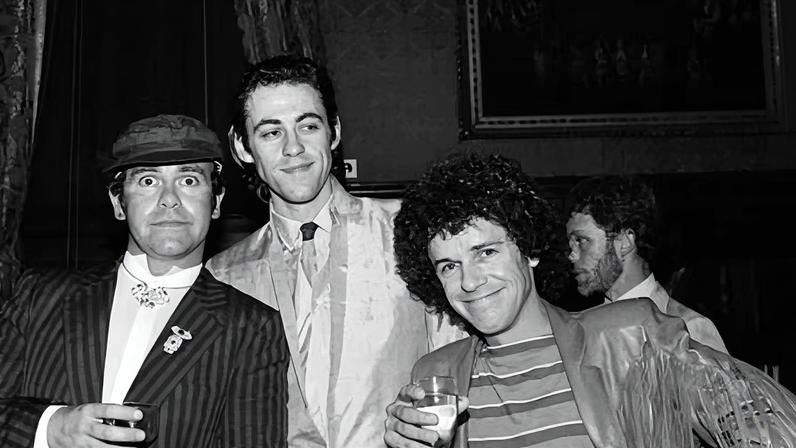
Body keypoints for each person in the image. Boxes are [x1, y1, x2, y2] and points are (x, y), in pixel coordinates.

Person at [384, 153, 796, 448]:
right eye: (448, 266)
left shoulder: (630, 334)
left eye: (485, 252)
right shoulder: (436, 373)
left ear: (528, 249)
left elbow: (759, 421)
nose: (469, 281)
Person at [205, 55, 464, 447]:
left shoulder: (410, 232)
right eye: (271, 133)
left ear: (334, 133)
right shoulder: (222, 275)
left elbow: (458, 369)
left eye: (308, 125)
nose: (294, 148)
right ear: (242, 146)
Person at [0, 114, 289, 448]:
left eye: (190, 180)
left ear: (216, 203)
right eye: (148, 181)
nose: (169, 199)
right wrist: (50, 427)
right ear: (118, 203)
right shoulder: (40, 296)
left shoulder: (251, 328)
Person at [565, 175, 727, 353]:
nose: (571, 255)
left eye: (581, 240)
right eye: (571, 242)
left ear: (625, 241)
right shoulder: (582, 331)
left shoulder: (690, 329)